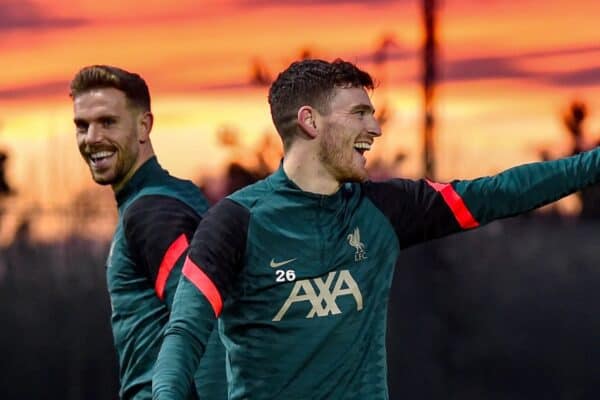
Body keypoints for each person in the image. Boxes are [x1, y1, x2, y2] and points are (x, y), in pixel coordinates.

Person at [152, 59, 600, 400]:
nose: (376, 127)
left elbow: (498, 193)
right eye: (360, 114)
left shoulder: (385, 209)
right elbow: (186, 331)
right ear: (310, 122)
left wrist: (593, 163)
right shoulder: (235, 221)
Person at [70, 65, 226, 400]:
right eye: (82, 125)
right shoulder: (173, 196)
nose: (92, 138)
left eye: (107, 122)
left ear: (144, 126)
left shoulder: (152, 212)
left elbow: (205, 323)